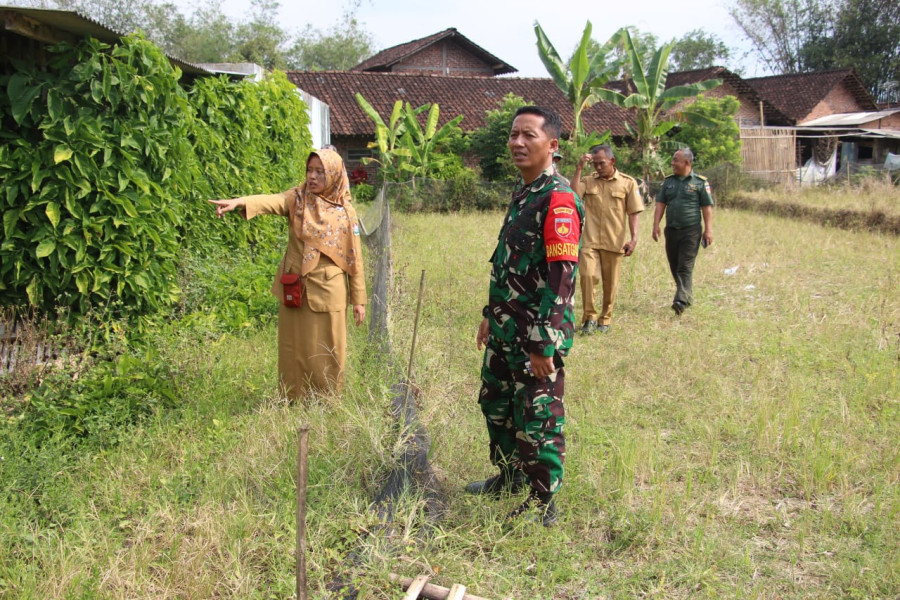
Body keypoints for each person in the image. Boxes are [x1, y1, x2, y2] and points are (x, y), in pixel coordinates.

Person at [466, 106, 584, 527]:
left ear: (552, 145)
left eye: (528, 135)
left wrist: (543, 343)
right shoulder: (524, 192)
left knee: (538, 418)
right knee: (496, 405)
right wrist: (489, 314)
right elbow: (509, 263)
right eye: (514, 134)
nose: (517, 142)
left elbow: (560, 276)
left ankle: (542, 503)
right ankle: (510, 476)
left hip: (535, 335)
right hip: (504, 327)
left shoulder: (559, 199)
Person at [209, 148, 367, 397]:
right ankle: (293, 396)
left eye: (320, 172)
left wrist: (358, 300)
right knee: (294, 346)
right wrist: (242, 202)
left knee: (329, 347)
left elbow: (354, 258)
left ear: (334, 175)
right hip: (296, 288)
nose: (312, 177)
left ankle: (326, 399)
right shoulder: (298, 198)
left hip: (329, 292)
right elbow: (274, 201)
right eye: (309, 170)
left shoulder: (345, 213)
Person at [571, 144, 643, 335]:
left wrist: (634, 239)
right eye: (594, 164)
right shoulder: (588, 181)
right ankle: (589, 318)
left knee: (610, 284)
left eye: (601, 163)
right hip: (590, 241)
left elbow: (634, 212)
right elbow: (572, 196)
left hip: (615, 242)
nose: (598, 167)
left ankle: (605, 319)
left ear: (612, 161)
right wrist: (579, 168)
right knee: (587, 277)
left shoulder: (628, 183)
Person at [652, 148, 714, 315]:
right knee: (674, 265)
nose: (672, 163)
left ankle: (680, 300)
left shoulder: (700, 183)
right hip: (671, 230)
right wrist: (655, 225)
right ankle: (686, 296)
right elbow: (660, 204)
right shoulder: (668, 182)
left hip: (691, 231)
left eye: (676, 160)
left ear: (687, 163)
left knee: (684, 267)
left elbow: (706, 208)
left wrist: (708, 230)